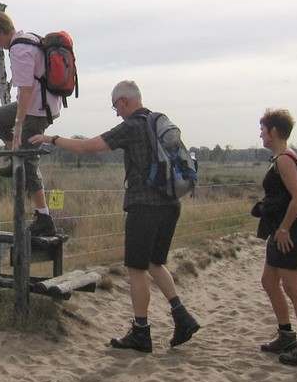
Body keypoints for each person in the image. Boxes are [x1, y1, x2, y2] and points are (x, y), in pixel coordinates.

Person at [28, 80, 199, 353]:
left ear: (125, 101)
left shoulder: (132, 126)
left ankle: (141, 332)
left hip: (144, 206)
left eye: (115, 106)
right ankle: (182, 317)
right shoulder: (158, 122)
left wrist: (52, 139)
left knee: (136, 269)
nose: (116, 112)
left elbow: (87, 147)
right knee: (156, 263)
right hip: (170, 205)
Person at [255, 109, 297, 366]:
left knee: (293, 288)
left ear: (273, 131)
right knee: (269, 281)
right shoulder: (283, 158)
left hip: (290, 231)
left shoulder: (284, 159)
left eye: (263, 130)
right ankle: (286, 335)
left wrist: (283, 229)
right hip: (281, 230)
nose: (261, 134)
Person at [0, 11, 61, 237]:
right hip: (41, 104)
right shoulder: (30, 39)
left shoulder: (18, 49)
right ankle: (13, 155)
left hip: (36, 110)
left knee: (29, 160)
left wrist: (19, 124)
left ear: (1, 33)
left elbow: (26, 89)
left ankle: (44, 217)